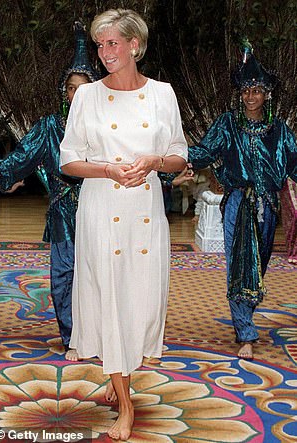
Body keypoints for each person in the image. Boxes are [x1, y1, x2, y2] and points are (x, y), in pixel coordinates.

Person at [60, 8, 187, 441]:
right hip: (101, 213)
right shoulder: (88, 97)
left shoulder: (163, 94)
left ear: (135, 45)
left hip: (145, 215)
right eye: (100, 44)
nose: (104, 52)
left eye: (112, 43)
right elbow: (69, 161)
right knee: (108, 299)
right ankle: (125, 402)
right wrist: (109, 170)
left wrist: (155, 161)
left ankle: (120, 372)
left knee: (139, 299)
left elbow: (179, 154)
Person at [0, 21, 98, 355]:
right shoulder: (50, 127)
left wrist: (165, 174)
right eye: (70, 87)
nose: (76, 94)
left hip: (101, 211)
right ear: (63, 92)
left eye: (83, 87)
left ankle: (98, 334)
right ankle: (73, 338)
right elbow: (19, 160)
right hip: (64, 214)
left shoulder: (108, 125)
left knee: (97, 277)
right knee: (64, 276)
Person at [189, 44, 297, 361]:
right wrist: (171, 159)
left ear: (267, 95)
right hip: (238, 202)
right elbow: (203, 152)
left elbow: (294, 164)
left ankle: (245, 316)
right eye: (245, 91)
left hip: (267, 208)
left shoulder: (279, 131)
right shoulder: (227, 125)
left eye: (256, 91)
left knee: (258, 267)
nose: (250, 97)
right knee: (240, 266)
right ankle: (245, 331)